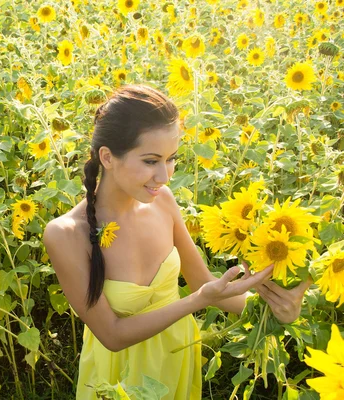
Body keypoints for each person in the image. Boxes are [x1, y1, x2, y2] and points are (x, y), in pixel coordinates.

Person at [42, 84, 312, 399]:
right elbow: (112, 335)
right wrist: (198, 300)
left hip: (177, 354)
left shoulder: (163, 201)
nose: (166, 176)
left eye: (171, 159)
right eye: (150, 161)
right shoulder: (66, 234)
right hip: (117, 377)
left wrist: (275, 311)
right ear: (107, 157)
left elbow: (204, 282)